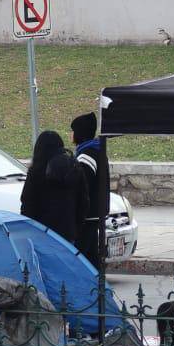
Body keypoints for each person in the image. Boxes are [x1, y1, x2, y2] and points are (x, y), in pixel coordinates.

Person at [20, 130, 88, 241]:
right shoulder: (75, 168)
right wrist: (75, 228)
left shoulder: (36, 172)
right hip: (68, 233)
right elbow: (83, 202)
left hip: (42, 234)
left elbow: (27, 204)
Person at [71, 112, 110, 268]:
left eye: (73, 131)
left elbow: (82, 187)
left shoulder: (85, 156)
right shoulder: (98, 151)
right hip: (96, 213)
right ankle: (97, 286)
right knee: (93, 255)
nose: (71, 134)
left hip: (87, 215)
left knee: (82, 256)